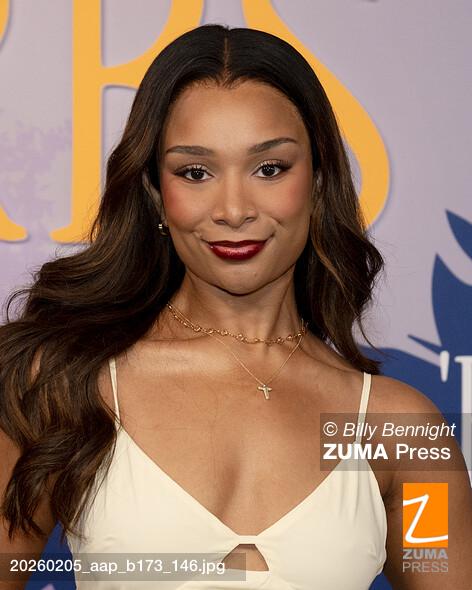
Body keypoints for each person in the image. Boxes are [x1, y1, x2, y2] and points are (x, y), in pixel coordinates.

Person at [0, 23, 471, 590]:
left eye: (269, 169)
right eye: (195, 172)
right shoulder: (63, 385)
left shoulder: (399, 430)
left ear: (319, 179)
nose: (233, 209)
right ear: (155, 192)